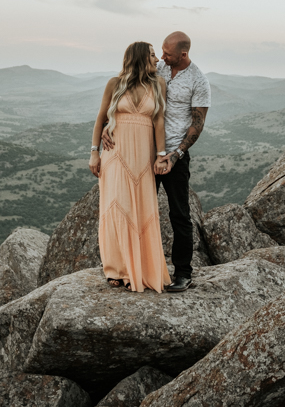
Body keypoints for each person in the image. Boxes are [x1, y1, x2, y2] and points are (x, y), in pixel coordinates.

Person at [101, 31, 210, 293]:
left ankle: (183, 273)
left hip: (172, 155)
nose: (161, 57)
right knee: (134, 210)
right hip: (140, 153)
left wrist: (175, 154)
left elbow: (198, 124)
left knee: (179, 214)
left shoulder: (199, 81)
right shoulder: (157, 67)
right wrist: (110, 125)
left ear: (183, 55)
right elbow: (127, 88)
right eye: (160, 51)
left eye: (167, 53)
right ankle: (129, 266)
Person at [88, 42, 172, 293]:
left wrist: (160, 156)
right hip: (115, 154)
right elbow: (101, 118)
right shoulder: (114, 84)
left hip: (143, 158)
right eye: (153, 55)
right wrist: (94, 153)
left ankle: (141, 267)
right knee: (116, 207)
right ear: (140, 58)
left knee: (142, 209)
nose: (158, 60)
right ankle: (116, 269)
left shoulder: (158, 85)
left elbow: (159, 120)